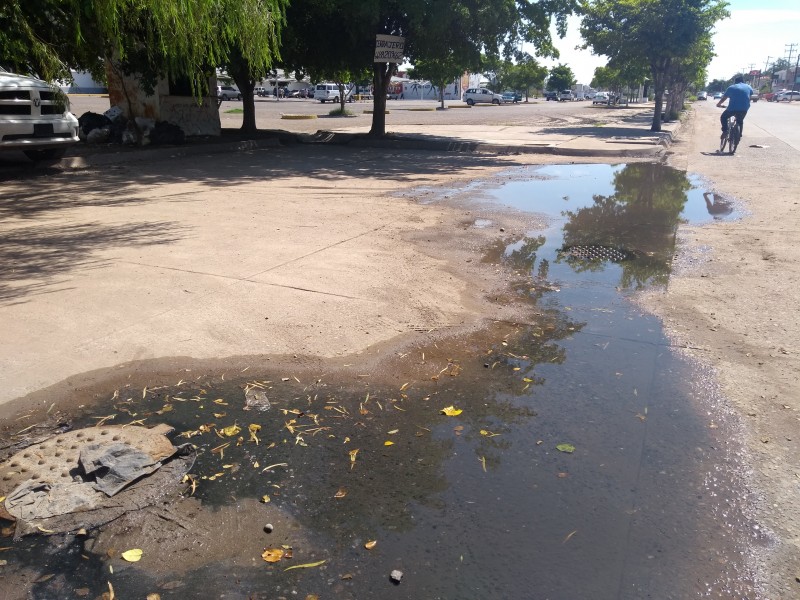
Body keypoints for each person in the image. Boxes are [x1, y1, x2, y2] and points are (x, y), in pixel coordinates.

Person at [716, 75, 754, 140]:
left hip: (732, 108)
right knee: (740, 121)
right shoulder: (749, 87)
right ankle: (739, 136)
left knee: (723, 117)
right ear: (743, 81)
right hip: (744, 108)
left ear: (735, 82)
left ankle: (725, 131)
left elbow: (724, 98)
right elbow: (749, 97)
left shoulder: (731, 87)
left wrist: (719, 104)